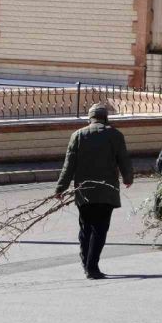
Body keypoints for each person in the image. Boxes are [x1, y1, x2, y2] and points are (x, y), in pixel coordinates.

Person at [55, 103, 133, 280]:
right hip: (107, 191)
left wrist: (61, 187)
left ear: (90, 118)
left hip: (84, 192)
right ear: (106, 117)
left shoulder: (78, 135)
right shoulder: (115, 135)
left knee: (86, 228)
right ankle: (92, 266)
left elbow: (69, 165)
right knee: (100, 229)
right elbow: (124, 159)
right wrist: (128, 178)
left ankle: (86, 263)